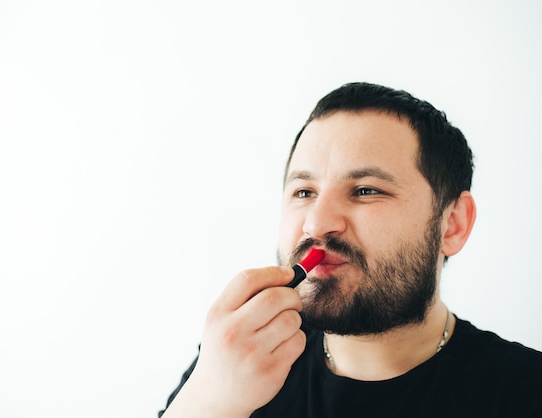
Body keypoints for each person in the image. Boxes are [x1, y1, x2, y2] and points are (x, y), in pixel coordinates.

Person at [158, 82, 542, 417]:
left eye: (365, 190)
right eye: (304, 192)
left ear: (453, 224)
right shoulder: (241, 362)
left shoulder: (524, 392)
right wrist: (208, 404)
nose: (316, 223)